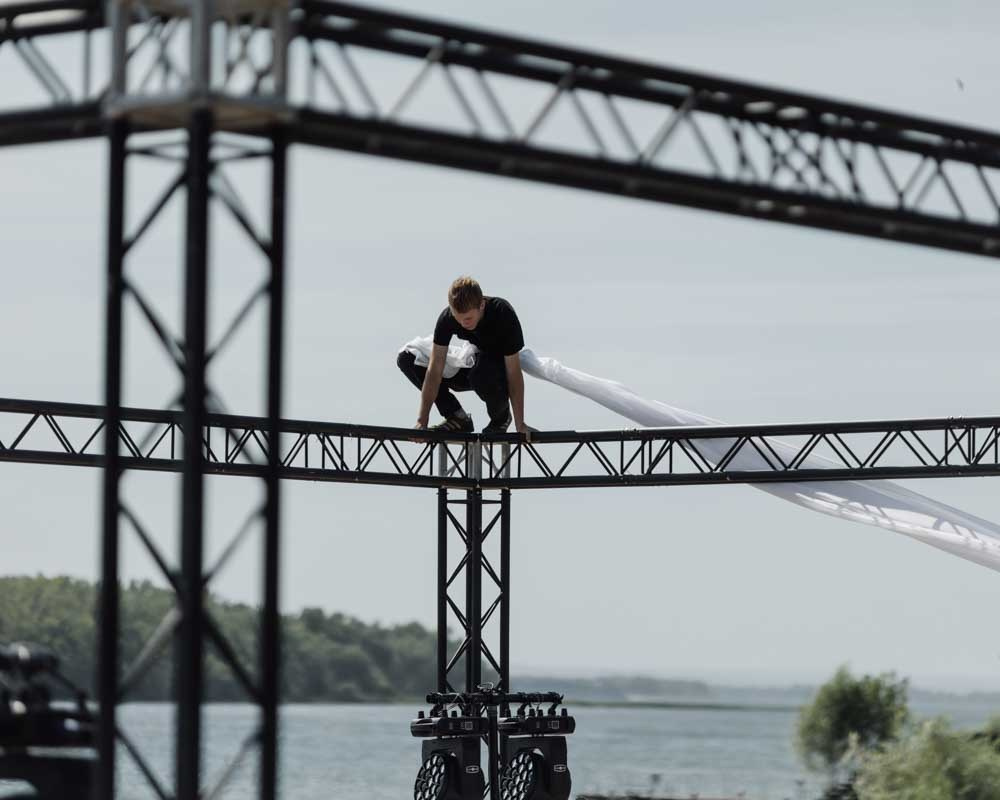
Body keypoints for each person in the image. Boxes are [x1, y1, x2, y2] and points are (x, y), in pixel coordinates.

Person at [397, 276, 534, 435]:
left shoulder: (502, 313)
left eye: (468, 318)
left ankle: (501, 418)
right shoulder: (447, 318)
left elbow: (514, 373)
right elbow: (435, 370)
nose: (464, 324)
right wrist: (422, 421)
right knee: (407, 358)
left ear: (481, 305)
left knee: (481, 372)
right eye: (458, 318)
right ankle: (456, 417)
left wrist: (520, 425)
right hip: (471, 366)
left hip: (496, 373)